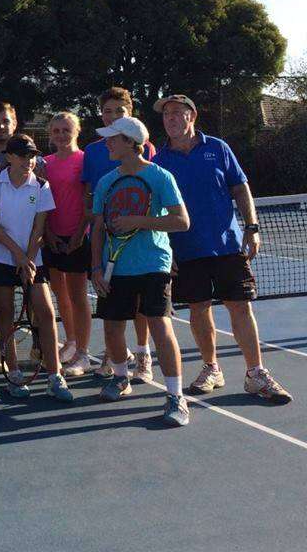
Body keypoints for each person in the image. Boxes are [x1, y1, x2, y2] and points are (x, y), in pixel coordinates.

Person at [152, 95, 291, 403]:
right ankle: (211, 368)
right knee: (199, 308)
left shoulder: (217, 148)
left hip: (228, 245)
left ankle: (255, 373)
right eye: (166, 115)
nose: (170, 119)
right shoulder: (159, 161)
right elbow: (159, 209)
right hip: (186, 249)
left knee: (240, 306)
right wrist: (168, 250)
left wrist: (252, 228)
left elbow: (240, 187)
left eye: (177, 113)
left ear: (192, 116)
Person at [90, 116, 190, 426]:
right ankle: (121, 378)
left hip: (153, 263)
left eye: (113, 138)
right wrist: (95, 266)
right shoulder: (106, 181)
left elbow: (181, 221)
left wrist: (139, 221)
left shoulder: (161, 177)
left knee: (160, 326)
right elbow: (97, 228)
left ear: (131, 143)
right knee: (112, 328)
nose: (107, 143)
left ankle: (176, 396)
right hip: (115, 266)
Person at [0, 134, 74, 403]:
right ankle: (14, 373)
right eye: (22, 155)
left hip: (33, 259)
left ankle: (55, 376)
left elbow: (39, 227)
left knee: (45, 312)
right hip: (0, 256)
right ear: (9, 157)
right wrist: (18, 256)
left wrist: (29, 258)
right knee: (5, 313)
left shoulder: (41, 186)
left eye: (32, 155)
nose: (28, 161)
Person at [82, 87, 156, 381]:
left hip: (139, 241)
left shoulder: (144, 147)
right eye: (107, 111)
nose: (112, 116)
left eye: (119, 111)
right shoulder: (92, 151)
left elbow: (151, 194)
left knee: (140, 305)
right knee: (109, 302)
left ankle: (143, 353)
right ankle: (116, 356)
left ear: (130, 112)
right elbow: (90, 198)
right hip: (106, 239)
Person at [42, 112, 93, 377]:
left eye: (66, 130)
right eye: (57, 131)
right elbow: (42, 201)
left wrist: (78, 235)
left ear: (77, 131)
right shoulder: (44, 163)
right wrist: (48, 232)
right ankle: (71, 341)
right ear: (50, 134)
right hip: (52, 238)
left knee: (77, 294)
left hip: (78, 237)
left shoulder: (85, 161)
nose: (61, 135)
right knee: (59, 293)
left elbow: (88, 202)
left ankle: (83, 354)